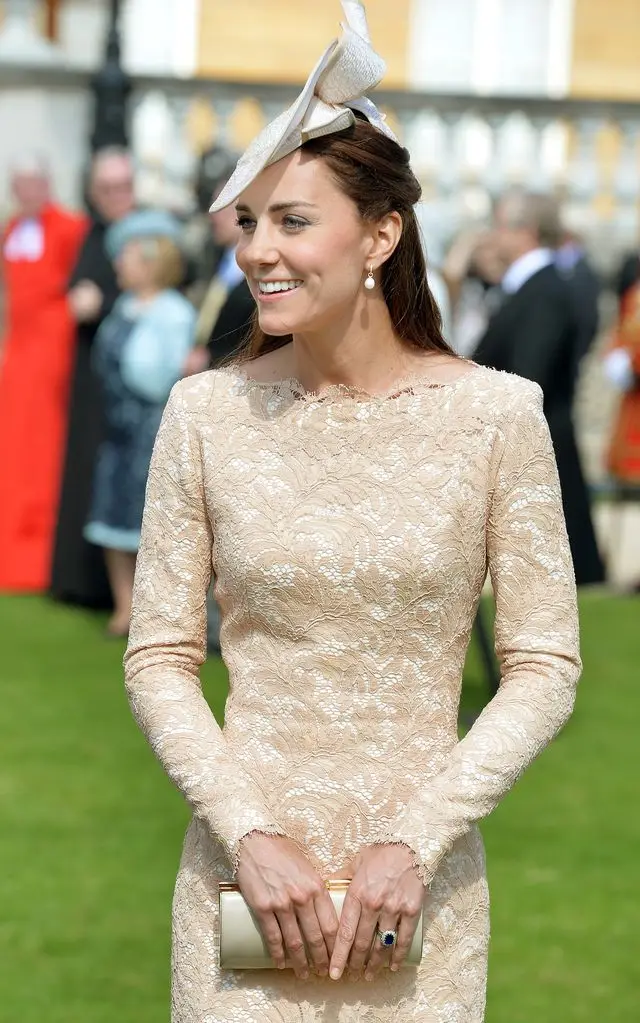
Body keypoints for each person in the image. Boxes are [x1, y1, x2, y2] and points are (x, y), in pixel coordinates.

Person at [123, 4, 581, 1021]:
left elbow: (544, 662)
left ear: (380, 235)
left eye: (291, 221)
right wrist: (247, 829)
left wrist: (415, 840)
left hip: (416, 894)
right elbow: (157, 653)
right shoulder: (204, 413)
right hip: (244, 887)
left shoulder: (498, 417)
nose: (258, 252)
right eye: (249, 223)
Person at [474, 189, 605, 587]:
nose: (493, 237)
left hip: (539, 438)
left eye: (499, 226)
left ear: (524, 231)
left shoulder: (544, 290)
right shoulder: (533, 285)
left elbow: (530, 375)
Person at [85, 210, 195, 637]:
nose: (118, 264)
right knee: (114, 513)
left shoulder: (173, 312)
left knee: (154, 521)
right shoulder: (124, 307)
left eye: (127, 255)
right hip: (118, 429)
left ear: (151, 259)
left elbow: (157, 375)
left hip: (153, 429)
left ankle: (157, 610)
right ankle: (123, 605)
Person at [50, 147, 137, 608]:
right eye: (108, 189)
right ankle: (83, 582)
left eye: (124, 187)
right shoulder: (92, 234)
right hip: (91, 376)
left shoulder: (142, 234)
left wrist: (97, 303)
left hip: (130, 383)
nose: (117, 197)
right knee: (87, 471)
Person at [0, 154, 87, 592]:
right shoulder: (12, 230)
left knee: (46, 446)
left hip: (53, 347)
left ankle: (43, 554)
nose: (26, 191)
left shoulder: (70, 227)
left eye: (33, 182)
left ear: (46, 183)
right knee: (14, 446)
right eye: (20, 183)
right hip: (19, 350)